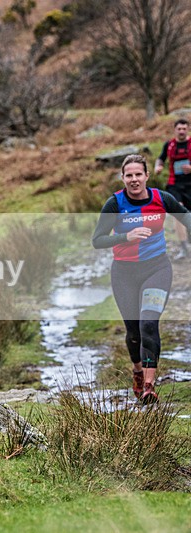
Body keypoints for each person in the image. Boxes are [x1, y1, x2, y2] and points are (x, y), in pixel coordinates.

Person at [92, 154, 191, 403]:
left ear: (146, 176)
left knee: (149, 324)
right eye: (129, 175)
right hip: (124, 273)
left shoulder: (161, 198)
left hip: (157, 269)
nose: (134, 179)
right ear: (123, 178)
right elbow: (97, 240)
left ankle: (148, 385)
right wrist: (126, 237)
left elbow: (185, 217)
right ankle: (137, 371)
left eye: (138, 174)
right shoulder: (114, 204)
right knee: (133, 331)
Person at [154, 119, 191, 259]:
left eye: (184, 128)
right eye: (179, 128)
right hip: (174, 185)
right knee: (178, 213)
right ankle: (183, 248)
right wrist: (158, 166)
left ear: (187, 129)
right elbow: (160, 158)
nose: (181, 131)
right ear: (175, 129)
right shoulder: (169, 145)